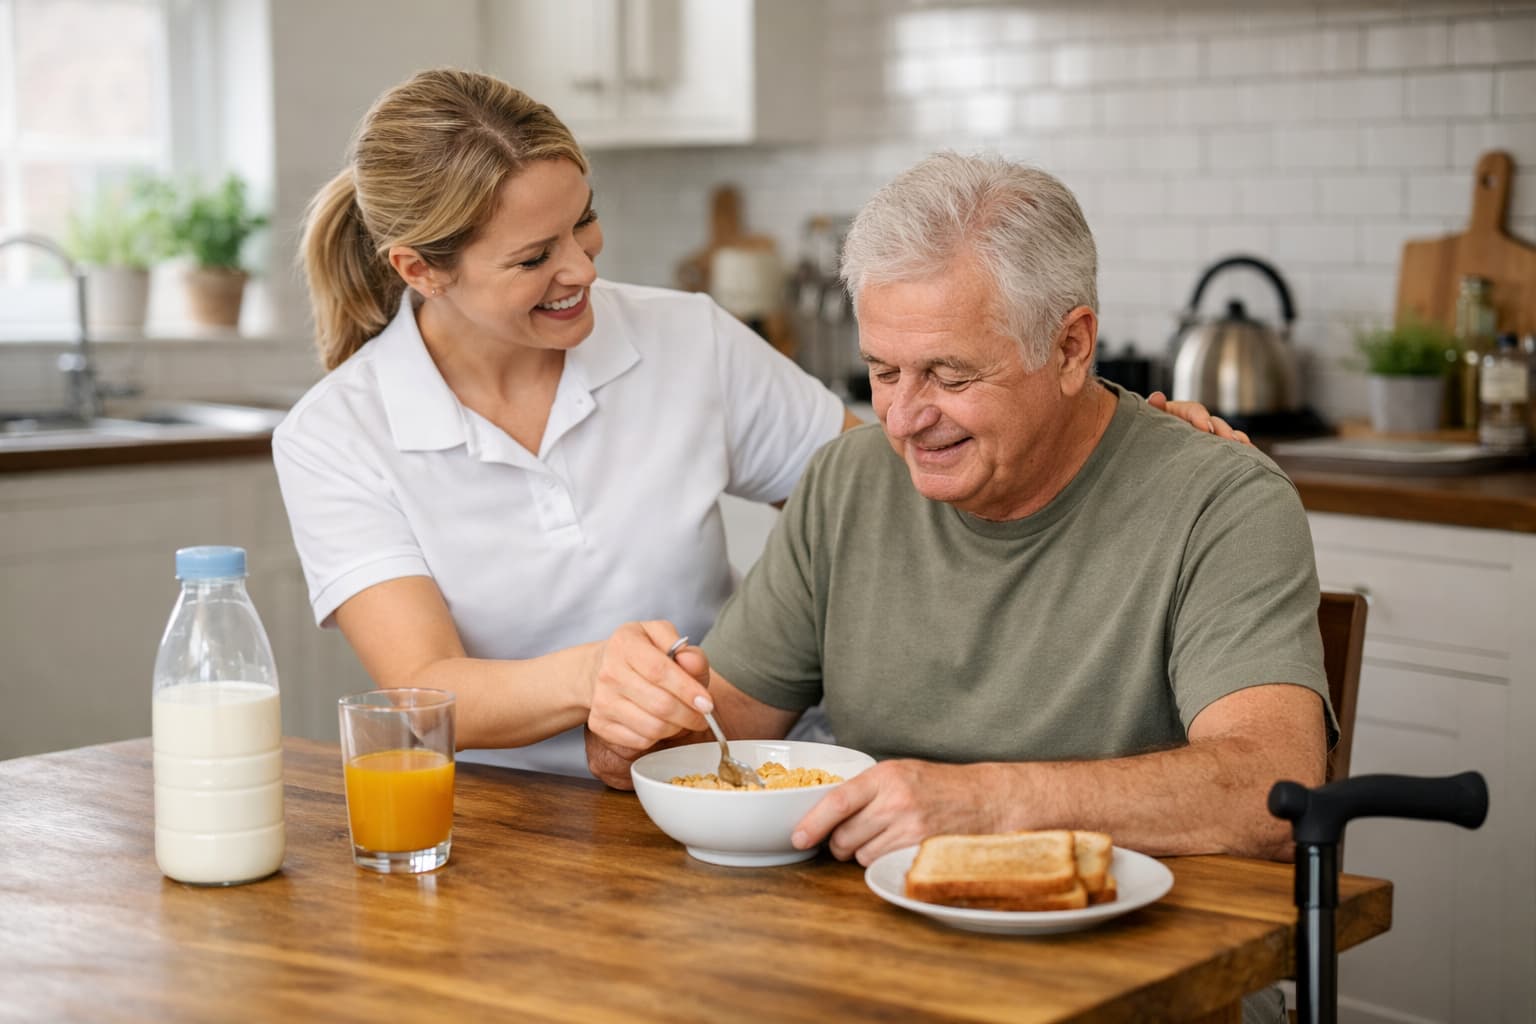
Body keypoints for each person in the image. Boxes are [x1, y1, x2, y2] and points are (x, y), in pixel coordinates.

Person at [274, 69, 1244, 779]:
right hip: (505, 826)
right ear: (419, 271)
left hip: (717, 790)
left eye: (586, 222)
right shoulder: (337, 433)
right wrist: (597, 675)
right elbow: (425, 688)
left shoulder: (684, 338)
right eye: (534, 257)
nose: (581, 268)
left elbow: (896, 483)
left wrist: (1117, 444)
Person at [584, 152, 1332, 870]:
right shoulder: (848, 483)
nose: (905, 419)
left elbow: (1274, 792)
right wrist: (630, 732)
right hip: (883, 950)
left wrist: (984, 803)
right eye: (882, 371)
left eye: (949, 374)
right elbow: (714, 741)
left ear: (1071, 348)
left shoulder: (1220, 503)